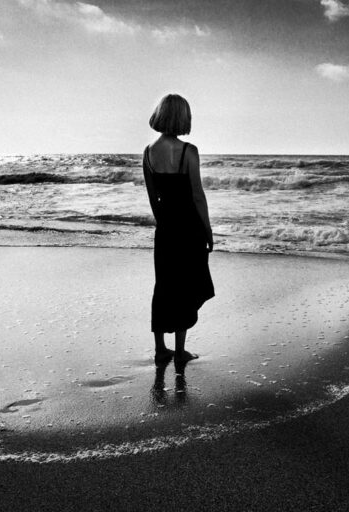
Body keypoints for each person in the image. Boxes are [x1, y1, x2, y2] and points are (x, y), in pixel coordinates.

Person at [142, 94, 215, 376]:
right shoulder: (189, 152)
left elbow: (153, 198)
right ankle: (180, 350)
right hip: (189, 227)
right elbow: (197, 196)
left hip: (166, 227)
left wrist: (163, 223)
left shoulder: (148, 153)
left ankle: (160, 349)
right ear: (182, 118)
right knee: (185, 286)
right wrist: (207, 230)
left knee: (163, 285)